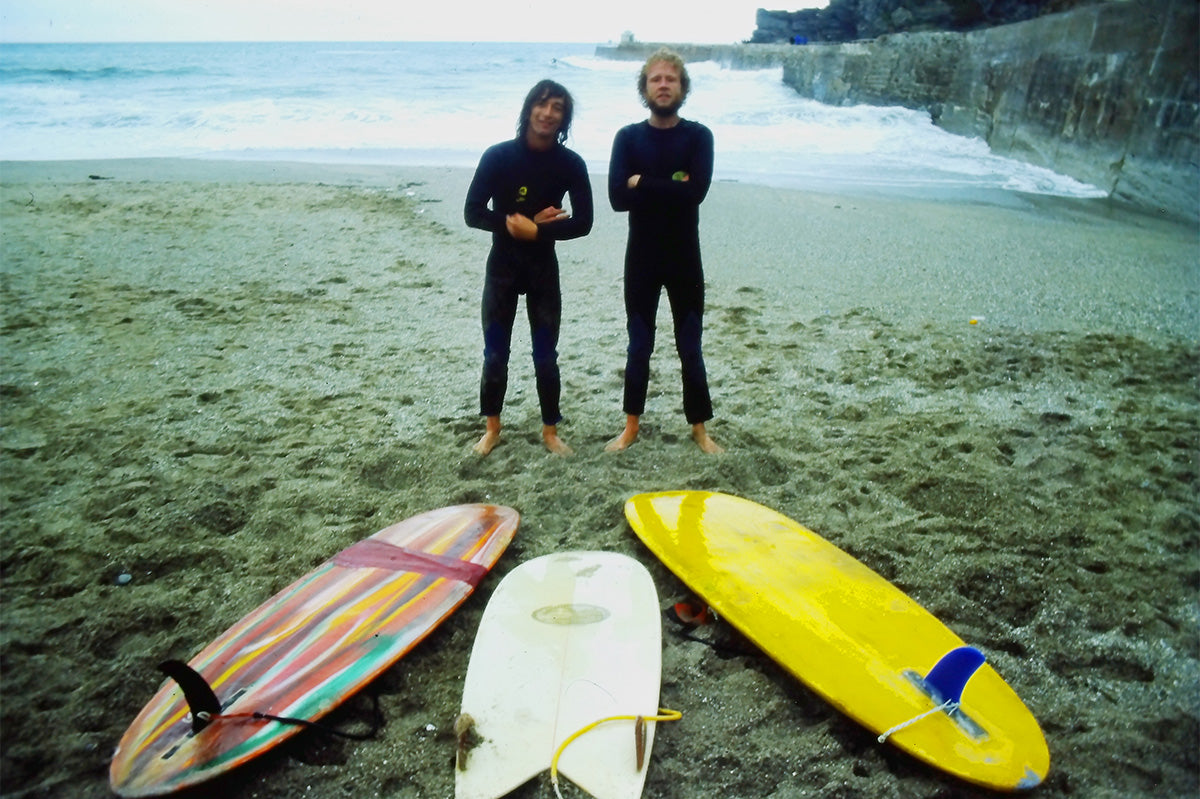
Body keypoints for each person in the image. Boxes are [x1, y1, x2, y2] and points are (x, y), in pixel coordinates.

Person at [464, 80, 593, 456]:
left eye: (557, 108)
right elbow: (472, 213)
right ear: (528, 109)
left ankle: (550, 431)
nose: (548, 113)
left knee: (545, 354)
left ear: (564, 118)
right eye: (542, 104)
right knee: (494, 352)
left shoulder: (570, 164)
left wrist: (536, 230)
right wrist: (513, 224)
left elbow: (583, 223)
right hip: (502, 267)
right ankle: (492, 428)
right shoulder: (498, 157)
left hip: (542, 269)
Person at [606, 48, 723, 454]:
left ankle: (700, 429)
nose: (663, 85)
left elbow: (696, 192)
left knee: (690, 345)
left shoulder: (698, 136)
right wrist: (663, 188)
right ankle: (631, 425)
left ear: (682, 87)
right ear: (644, 87)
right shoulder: (628, 137)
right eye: (655, 79)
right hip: (641, 257)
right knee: (639, 345)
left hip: (684, 258)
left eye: (670, 79)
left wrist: (642, 182)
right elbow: (617, 198)